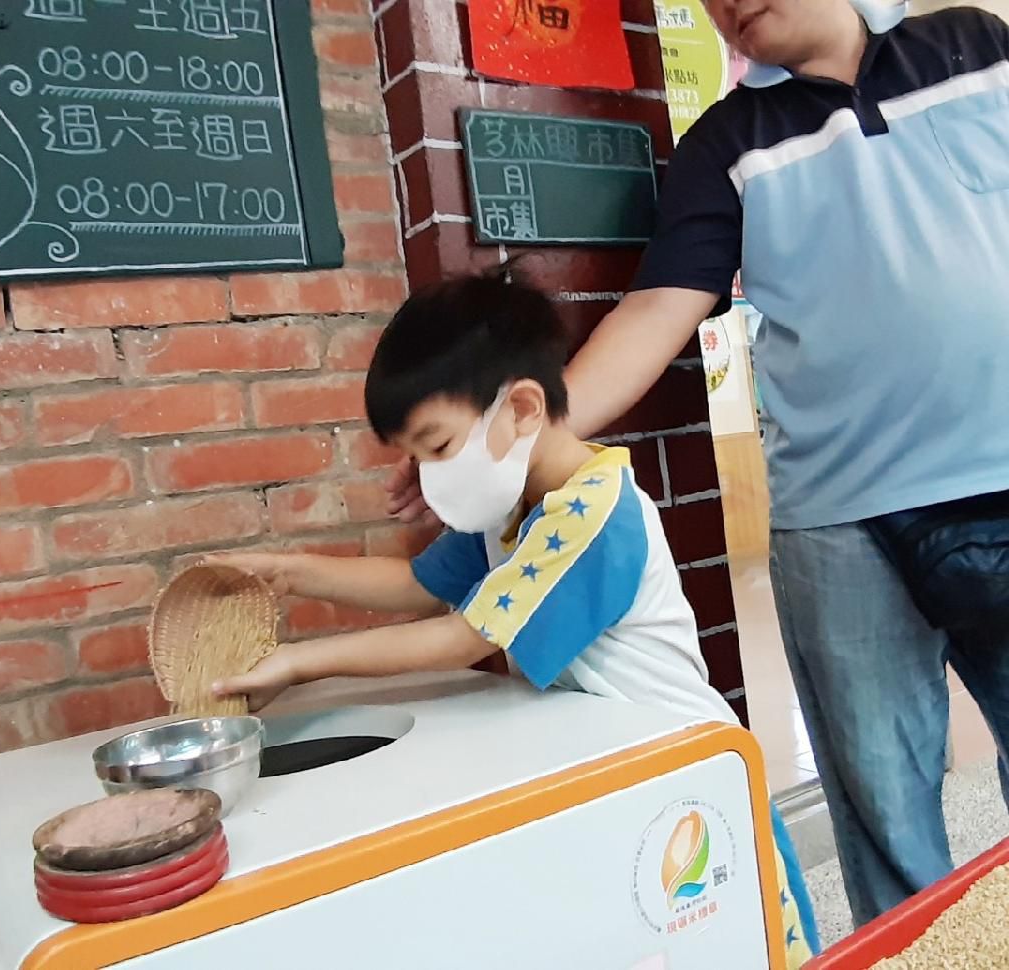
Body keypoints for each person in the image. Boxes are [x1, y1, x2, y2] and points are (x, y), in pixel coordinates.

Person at [385, 0, 1009, 931]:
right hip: (841, 522)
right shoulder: (724, 143)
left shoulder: (972, 46)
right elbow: (654, 315)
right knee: (885, 813)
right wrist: (498, 442)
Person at [212, 269, 819, 965]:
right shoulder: (510, 507)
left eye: (438, 447)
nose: (429, 477)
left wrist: (298, 663)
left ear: (523, 408)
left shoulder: (593, 513)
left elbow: (462, 636)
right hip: (611, 758)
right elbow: (417, 585)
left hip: (685, 765)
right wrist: (289, 572)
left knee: (746, 939)